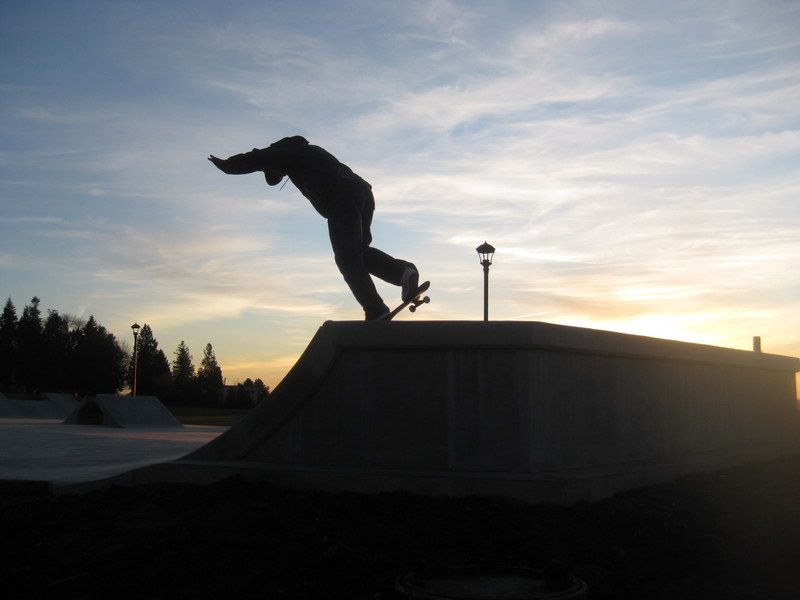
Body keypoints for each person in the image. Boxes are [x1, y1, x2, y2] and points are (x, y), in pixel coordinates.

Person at [209, 136, 420, 321]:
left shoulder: (287, 151)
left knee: (347, 258)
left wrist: (228, 165)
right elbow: (271, 174)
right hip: (362, 193)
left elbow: (257, 157)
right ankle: (403, 273)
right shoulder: (307, 154)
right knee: (359, 254)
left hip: (342, 197)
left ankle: (375, 309)